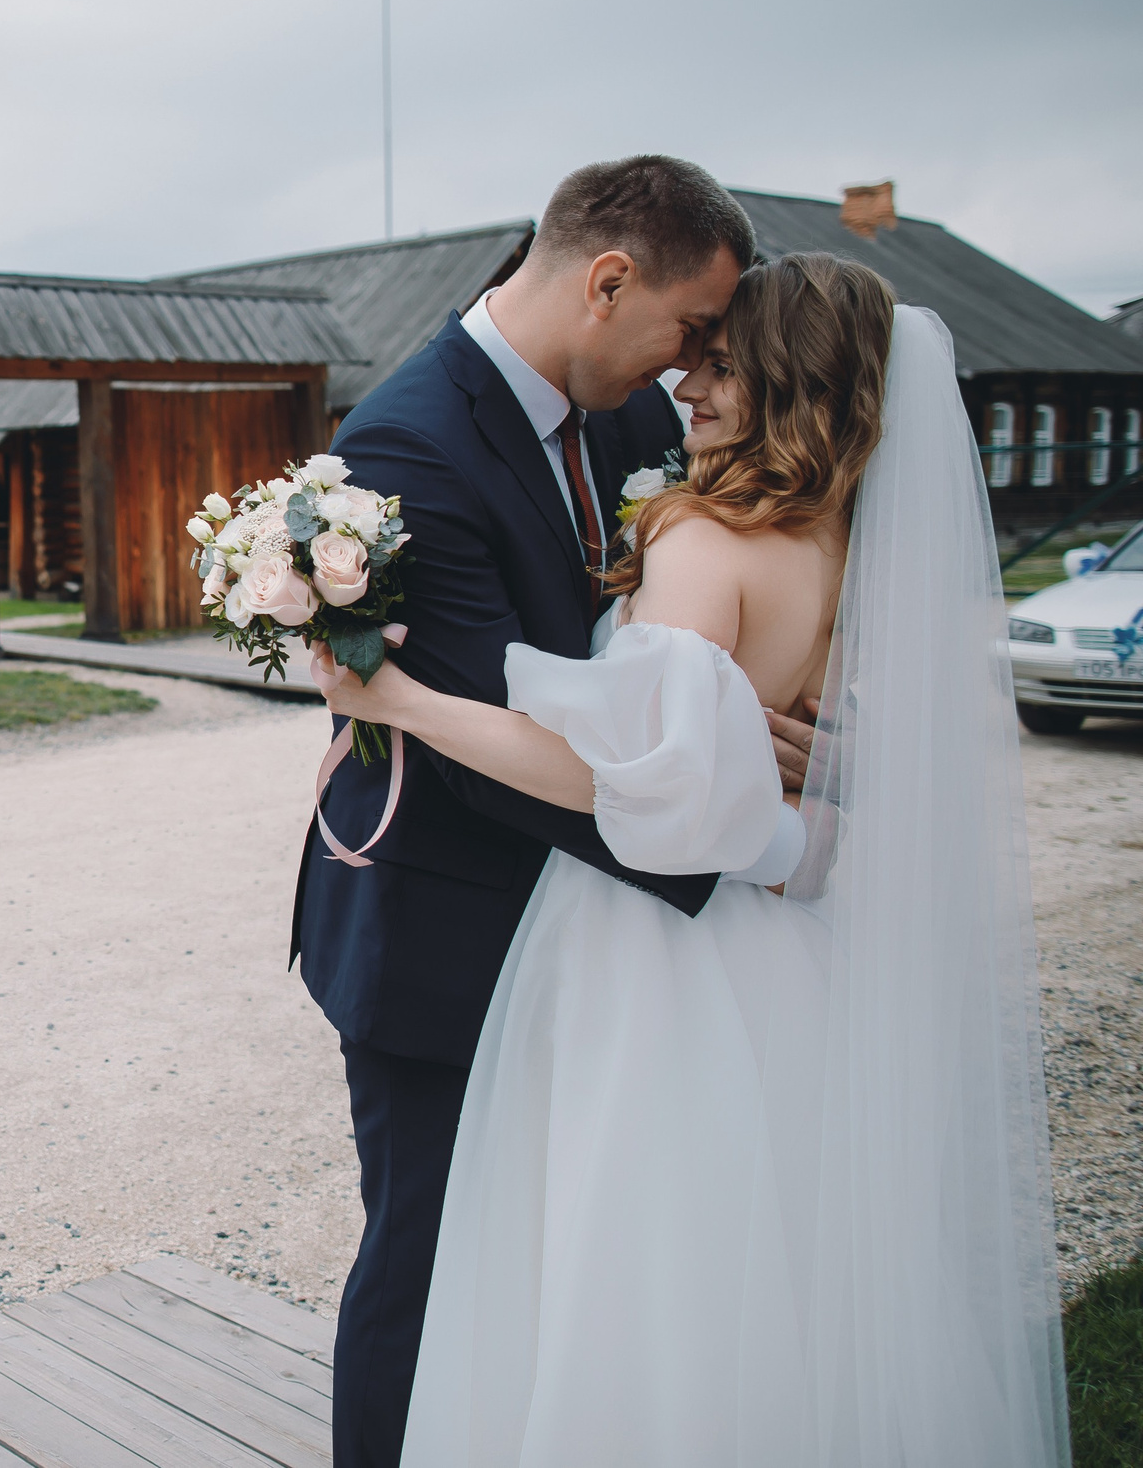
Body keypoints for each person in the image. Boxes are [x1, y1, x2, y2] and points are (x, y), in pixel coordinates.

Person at [314, 262, 1067, 1462]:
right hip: (772, 964)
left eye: (721, 364)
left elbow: (632, 792)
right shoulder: (842, 540)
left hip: (645, 952)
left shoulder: (699, 535)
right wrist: (802, 823)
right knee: (759, 1261)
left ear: (784, 381)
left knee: (614, 1256)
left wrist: (399, 701)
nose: (686, 383)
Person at [288, 157, 754, 1466]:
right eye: (689, 326)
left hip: (591, 935)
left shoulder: (626, 415)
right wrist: (720, 817)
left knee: (564, 1259)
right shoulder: (408, 439)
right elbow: (483, 739)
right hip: (444, 934)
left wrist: (735, 715)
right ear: (607, 283)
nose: (693, 364)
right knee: (429, 1263)